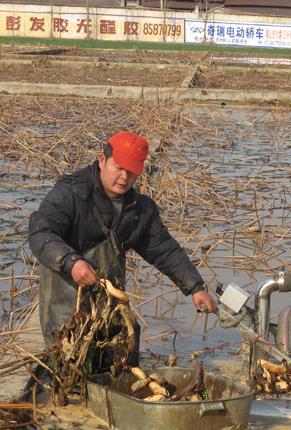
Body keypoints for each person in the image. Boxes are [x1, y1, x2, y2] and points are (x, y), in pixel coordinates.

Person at [28, 131, 217, 363]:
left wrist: (195, 287)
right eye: (118, 168)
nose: (123, 177)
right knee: (71, 367)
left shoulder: (139, 210)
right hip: (67, 307)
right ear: (102, 160)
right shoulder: (71, 193)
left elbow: (165, 250)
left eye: (131, 172)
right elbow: (40, 232)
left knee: (122, 360)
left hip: (111, 305)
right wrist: (71, 262)